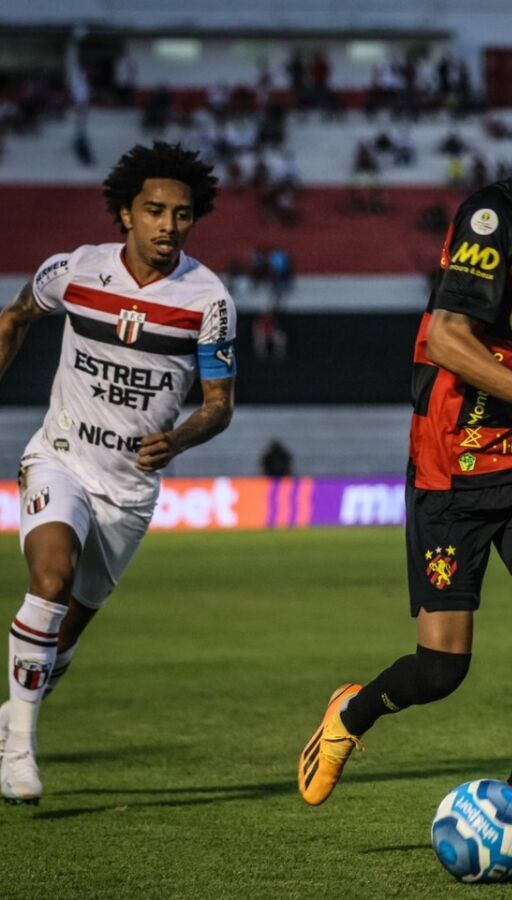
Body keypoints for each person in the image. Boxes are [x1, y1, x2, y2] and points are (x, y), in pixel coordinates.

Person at [296, 87, 512, 871]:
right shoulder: (489, 220)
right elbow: (451, 339)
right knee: (443, 669)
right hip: (454, 470)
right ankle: (351, 712)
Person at [0, 142, 236, 804]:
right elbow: (17, 316)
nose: (168, 225)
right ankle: (19, 749)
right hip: (61, 457)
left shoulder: (208, 300)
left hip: (128, 492)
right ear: (124, 214)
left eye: (182, 214)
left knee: (62, 640)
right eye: (155, 211)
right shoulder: (77, 271)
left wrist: (180, 438)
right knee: (49, 578)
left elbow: (219, 407)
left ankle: (9, 721)